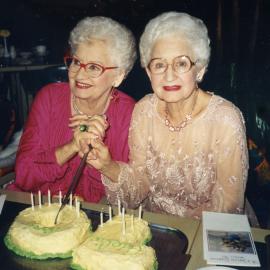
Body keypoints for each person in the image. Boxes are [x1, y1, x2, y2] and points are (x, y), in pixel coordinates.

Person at [86, 12, 249, 219]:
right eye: (159, 65)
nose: (169, 75)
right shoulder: (144, 111)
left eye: (181, 63)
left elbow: (227, 208)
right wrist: (107, 166)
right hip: (155, 224)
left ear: (199, 70)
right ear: (148, 73)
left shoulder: (225, 119)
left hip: (206, 231)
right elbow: (140, 186)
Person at [8, 16, 137, 203]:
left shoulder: (129, 114)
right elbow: (24, 176)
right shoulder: (49, 98)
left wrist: (106, 165)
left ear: (118, 76)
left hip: (94, 217)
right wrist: (72, 146)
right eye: (76, 62)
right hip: (37, 208)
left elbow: (132, 197)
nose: (79, 73)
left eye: (94, 67)